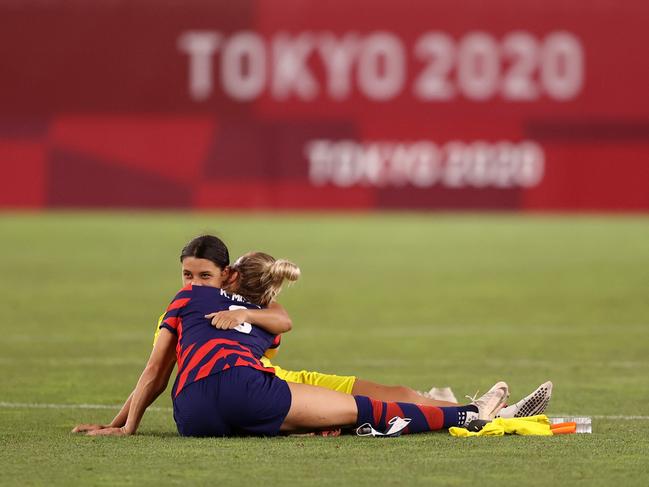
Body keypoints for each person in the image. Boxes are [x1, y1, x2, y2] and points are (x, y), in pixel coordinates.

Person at [75, 251, 511, 437]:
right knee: (377, 403)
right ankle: (465, 410)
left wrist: (121, 424)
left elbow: (154, 374)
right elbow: (282, 321)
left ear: (227, 276)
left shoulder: (189, 305)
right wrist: (251, 314)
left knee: (366, 408)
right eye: (191, 276)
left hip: (231, 394)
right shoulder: (271, 319)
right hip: (268, 386)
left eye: (200, 275)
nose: (193, 283)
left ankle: (448, 403)